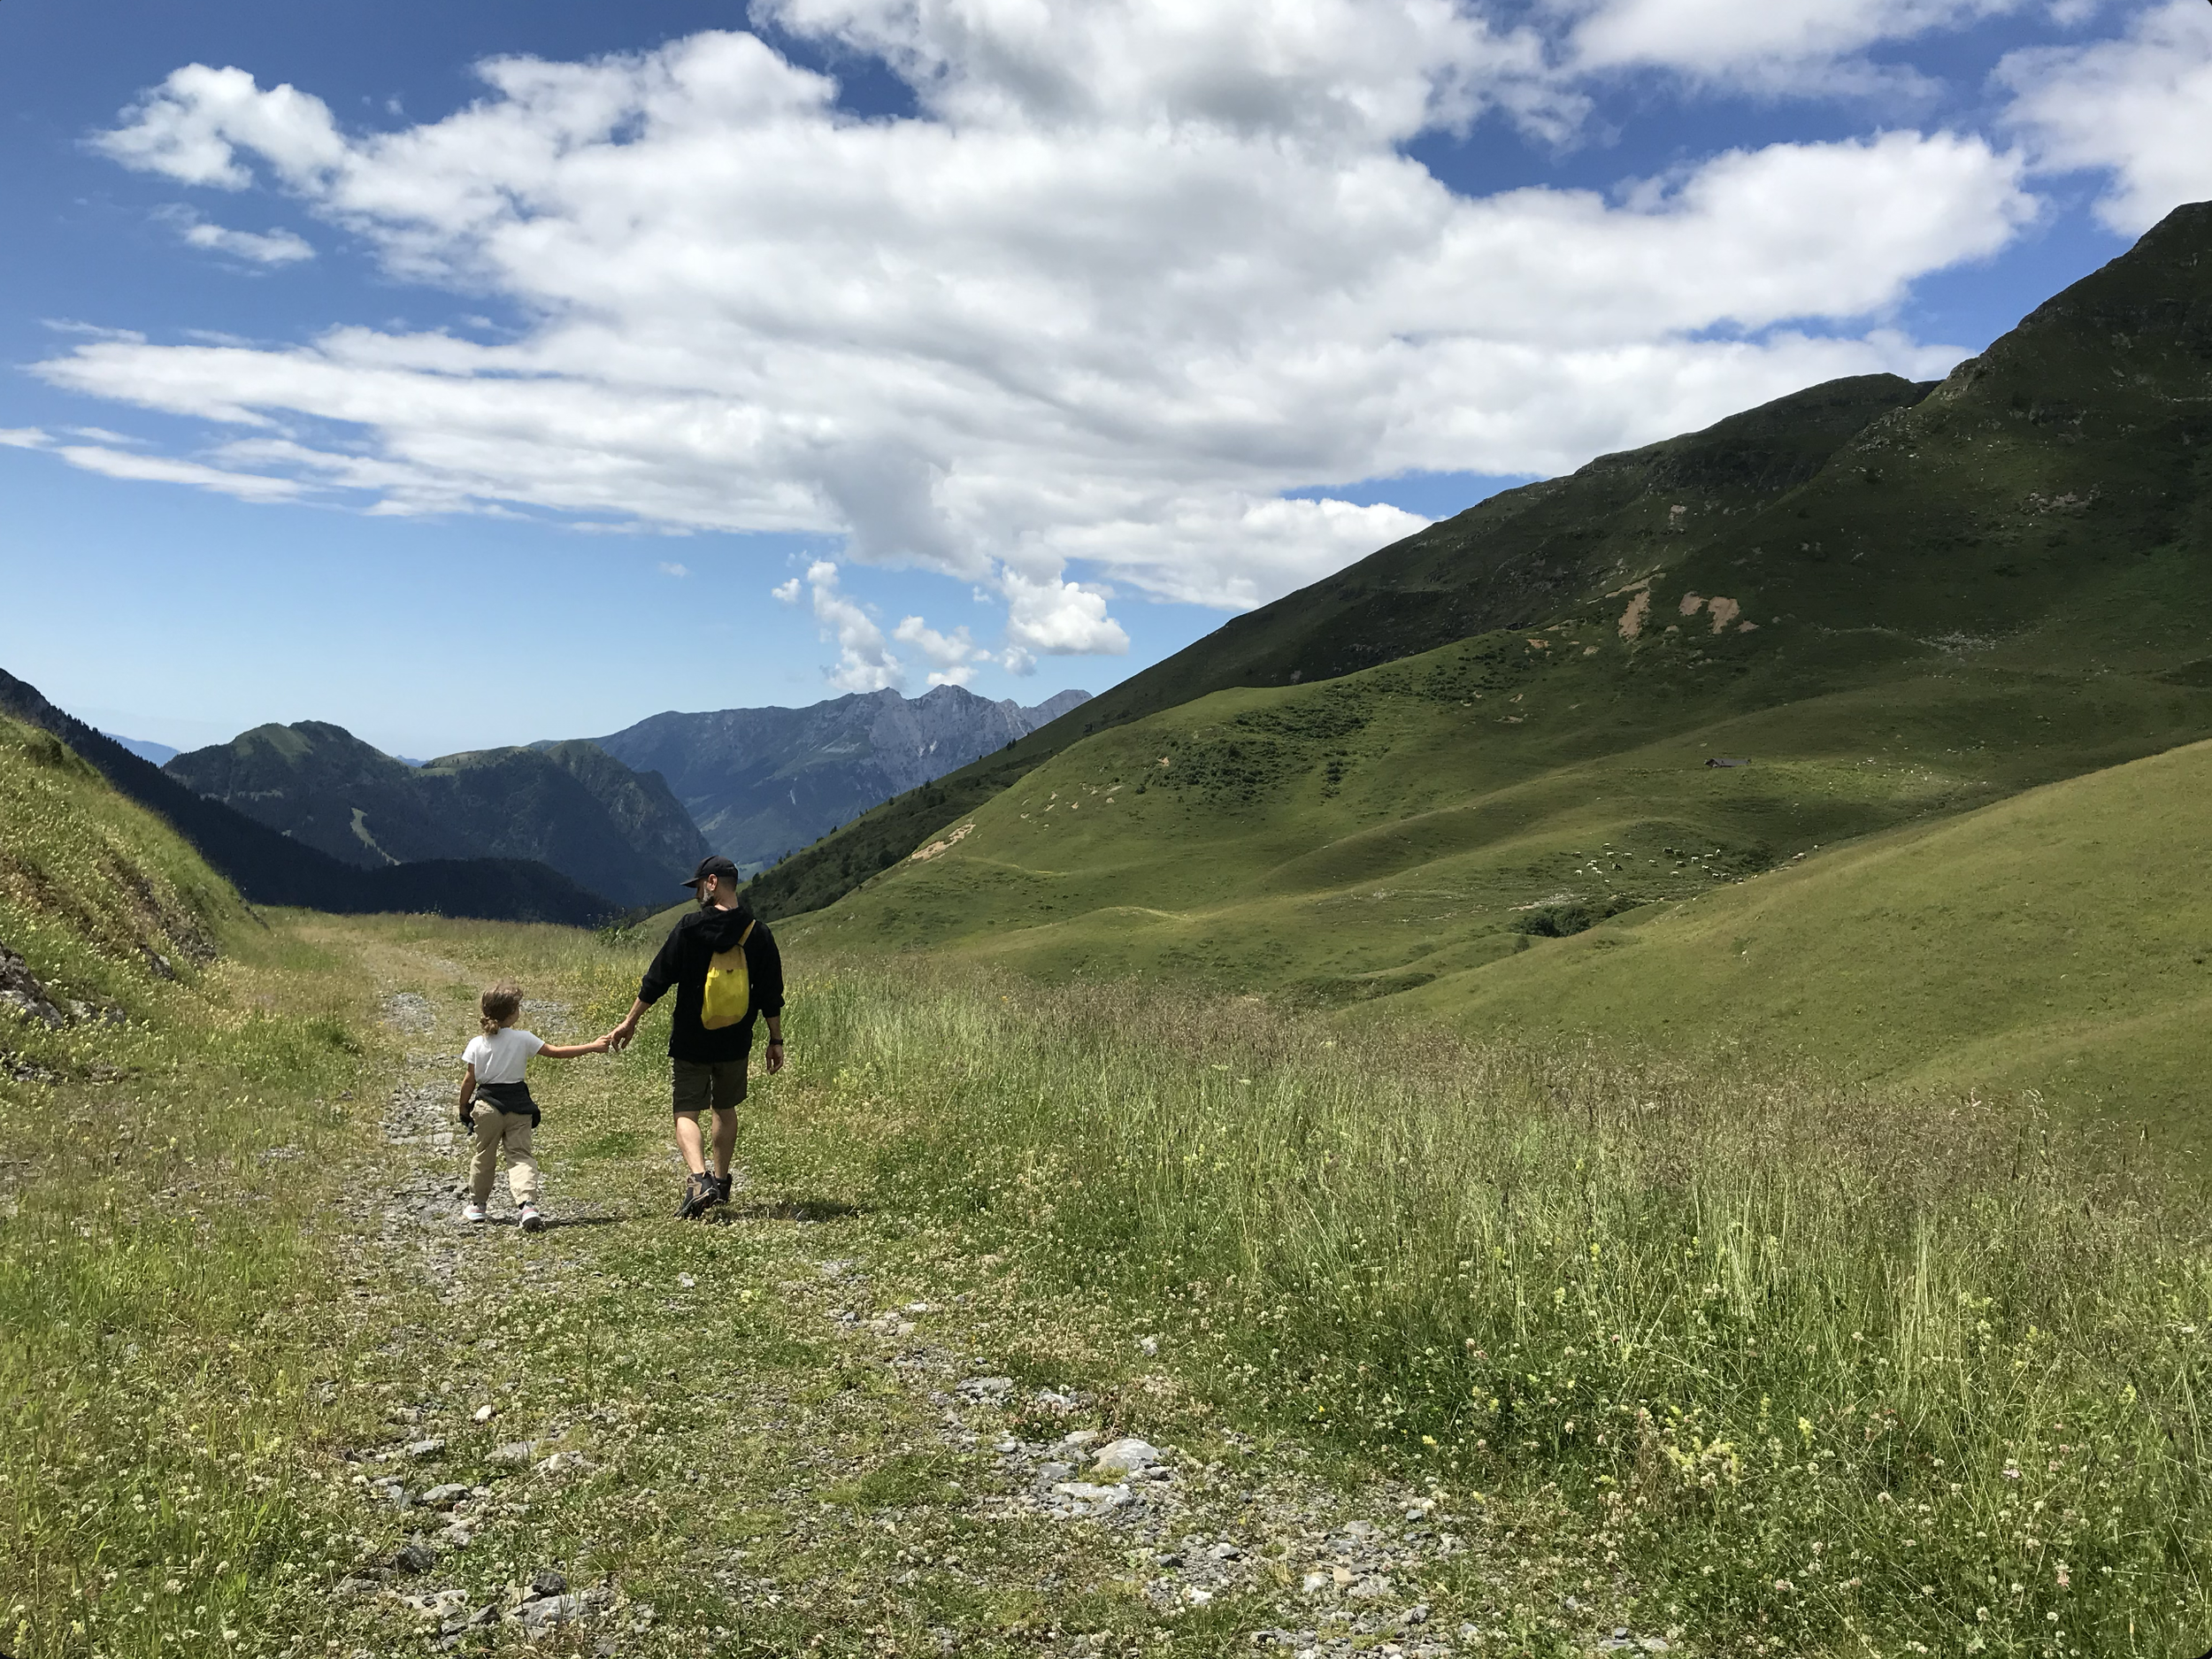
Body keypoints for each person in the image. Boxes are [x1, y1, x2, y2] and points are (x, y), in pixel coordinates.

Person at [604, 855, 785, 1219]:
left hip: (691, 1038)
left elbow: (656, 979)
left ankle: (700, 1179)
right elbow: (770, 993)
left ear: (713, 883)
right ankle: (721, 1182)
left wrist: (629, 1022)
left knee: (686, 1110)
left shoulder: (689, 928)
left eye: (700, 886)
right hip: (735, 1039)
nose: (697, 894)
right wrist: (775, 1040)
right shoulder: (758, 933)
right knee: (725, 1108)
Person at [457, 981, 610, 1231]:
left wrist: (463, 1107)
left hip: (487, 1106)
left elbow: (469, 1080)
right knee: (520, 1155)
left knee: (484, 1154)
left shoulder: (477, 1043)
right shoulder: (523, 1038)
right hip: (519, 1105)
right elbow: (557, 1052)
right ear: (512, 1014)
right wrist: (592, 1047)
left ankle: (477, 1206)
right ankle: (527, 1206)